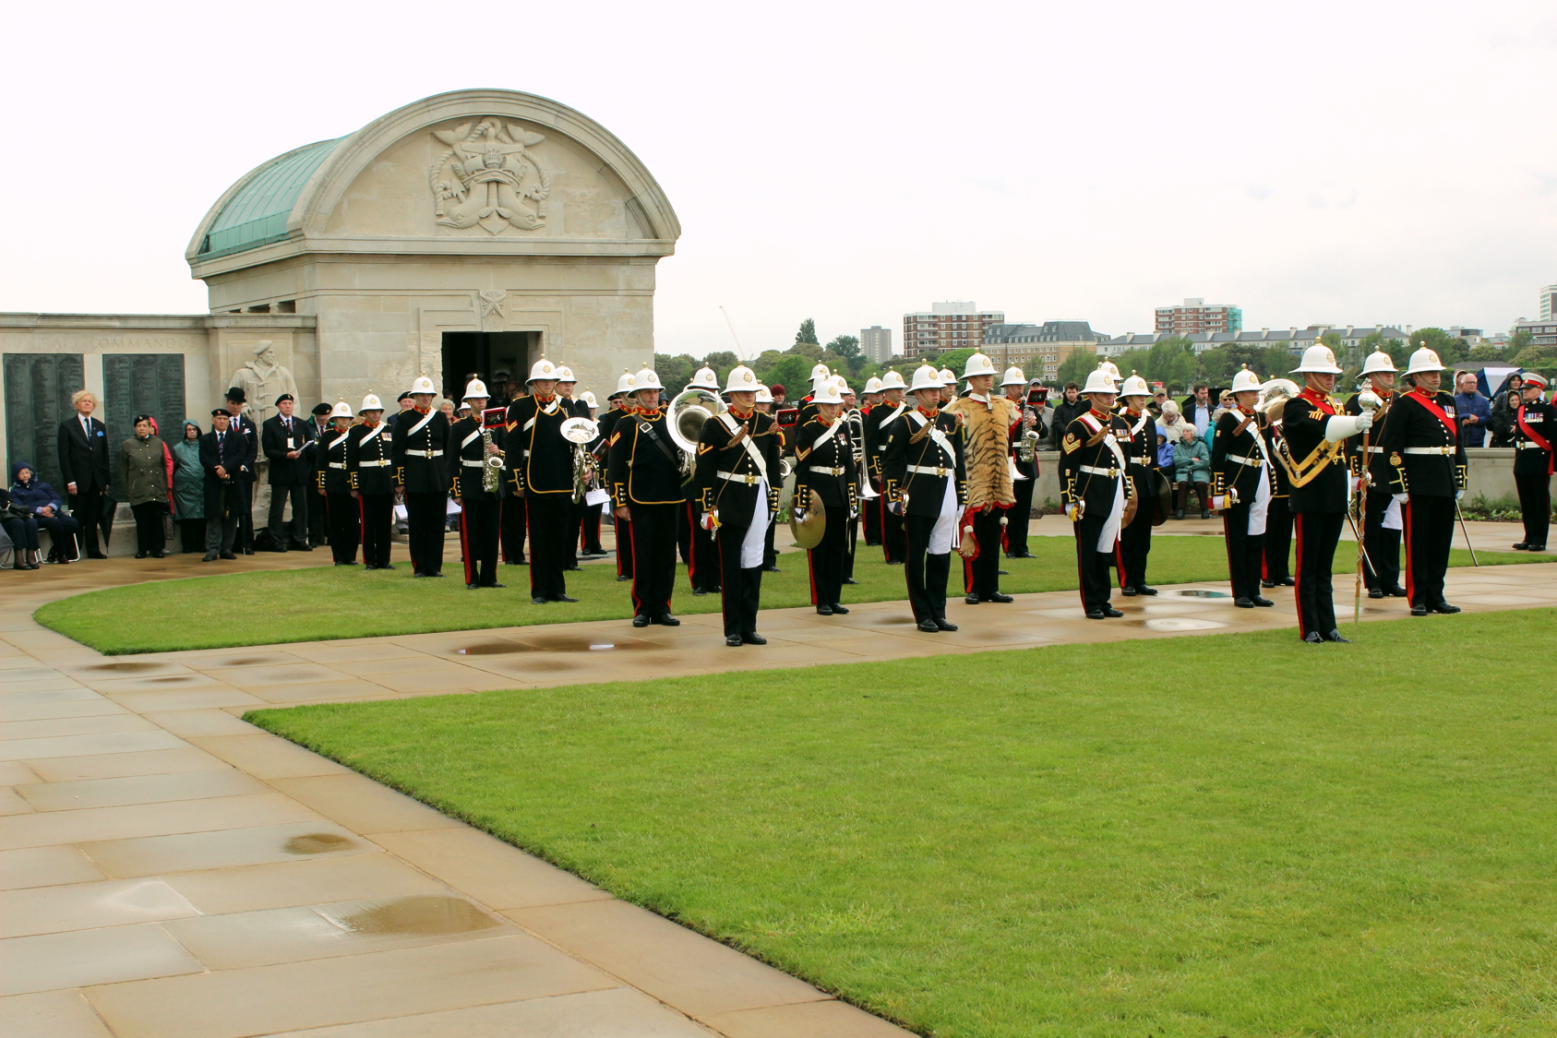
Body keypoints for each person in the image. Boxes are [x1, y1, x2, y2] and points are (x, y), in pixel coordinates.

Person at [1281, 344, 1373, 642]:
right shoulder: (1297, 406)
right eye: (1324, 373)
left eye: (1332, 374)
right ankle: (1309, 627)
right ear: (1309, 375)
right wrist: (1355, 423)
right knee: (1308, 566)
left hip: (1333, 492)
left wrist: (1356, 478)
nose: (1330, 379)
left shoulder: (1336, 405)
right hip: (1310, 492)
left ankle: (1329, 625)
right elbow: (1323, 428)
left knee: (1325, 566)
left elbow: (1343, 450)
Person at [692, 366, 780, 645]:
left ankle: (749, 626)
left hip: (758, 498)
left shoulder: (766, 423)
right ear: (731, 395)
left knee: (753, 563)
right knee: (730, 565)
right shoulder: (715, 424)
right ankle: (732, 628)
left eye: (752, 391)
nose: (749, 396)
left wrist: (774, 497)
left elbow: (774, 465)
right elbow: (705, 469)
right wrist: (707, 506)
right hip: (728, 499)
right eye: (743, 392)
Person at [1377, 347, 1466, 617]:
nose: (1436, 377)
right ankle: (1418, 597)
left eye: (1437, 372)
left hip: (1444, 479)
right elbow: (1392, 448)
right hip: (1418, 481)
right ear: (1415, 377)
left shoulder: (1448, 401)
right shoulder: (1405, 403)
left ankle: (1437, 595)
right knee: (1418, 542)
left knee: (1441, 542)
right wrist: (1399, 485)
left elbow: (1458, 443)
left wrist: (1460, 477)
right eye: (1429, 372)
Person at [884, 366, 964, 632]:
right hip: (918, 493)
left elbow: (960, 462)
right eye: (930, 390)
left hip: (946, 491)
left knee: (941, 554)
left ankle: (938, 611)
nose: (935, 394)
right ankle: (923, 614)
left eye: (938, 389)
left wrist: (962, 495)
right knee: (916, 557)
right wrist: (893, 495)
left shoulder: (951, 421)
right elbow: (892, 462)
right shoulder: (906, 422)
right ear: (917, 393)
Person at [609, 368, 683, 626]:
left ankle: (663, 608)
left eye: (655, 391)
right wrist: (620, 501)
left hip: (671, 496)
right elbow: (616, 465)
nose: (652, 396)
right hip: (639, 497)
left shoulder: (671, 420)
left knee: (666, 556)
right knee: (643, 555)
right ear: (636, 395)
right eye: (647, 392)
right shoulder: (625, 423)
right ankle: (642, 608)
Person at [1059, 368, 1134, 619]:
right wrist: (1070, 497)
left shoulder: (1121, 423)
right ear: (1091, 395)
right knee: (1088, 550)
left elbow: (1127, 462)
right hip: (1089, 494)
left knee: (1106, 549)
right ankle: (1091, 603)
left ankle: (1104, 599)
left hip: (1114, 490)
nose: (1110, 397)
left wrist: (1127, 490)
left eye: (1112, 392)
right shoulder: (1079, 425)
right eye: (1104, 393)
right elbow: (1067, 465)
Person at [946, 353, 1019, 605]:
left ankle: (991, 587)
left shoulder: (1004, 406)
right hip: (974, 481)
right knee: (972, 534)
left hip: (998, 482)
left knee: (993, 535)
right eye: (983, 375)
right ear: (972, 379)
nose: (989, 379)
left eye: (990, 375)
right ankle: (974, 587)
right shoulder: (958, 409)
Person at [506, 358, 577, 604]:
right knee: (539, 538)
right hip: (534, 478)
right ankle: (540, 591)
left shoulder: (566, 405)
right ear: (534, 383)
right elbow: (513, 444)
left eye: (552, 381)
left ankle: (558, 589)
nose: (548, 385)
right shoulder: (521, 406)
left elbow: (580, 439)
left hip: (563, 478)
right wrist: (516, 481)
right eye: (544, 381)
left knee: (560, 537)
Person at [1210, 370, 1274, 608]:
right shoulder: (1228, 419)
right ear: (1238, 395)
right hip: (1237, 480)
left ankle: (1254, 589)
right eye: (1249, 391)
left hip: (1260, 476)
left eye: (1256, 391)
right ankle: (1241, 592)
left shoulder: (1261, 418)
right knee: (1237, 538)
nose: (1254, 395)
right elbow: (1217, 457)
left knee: (1257, 536)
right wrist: (1218, 491)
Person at [794, 377, 858, 616]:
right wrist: (802, 502)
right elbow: (802, 468)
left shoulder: (843, 426)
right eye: (828, 404)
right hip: (818, 494)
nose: (833, 408)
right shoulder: (809, 429)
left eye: (836, 404)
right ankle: (821, 599)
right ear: (818, 405)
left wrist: (852, 497)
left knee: (837, 548)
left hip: (839, 492)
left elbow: (849, 465)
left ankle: (834, 598)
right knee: (819, 550)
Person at [1345, 351, 1405, 598]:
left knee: (1393, 528)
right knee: (1371, 528)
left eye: (1391, 373)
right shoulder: (1357, 401)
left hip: (1395, 470)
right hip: (1370, 467)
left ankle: (1391, 579)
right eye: (1384, 373)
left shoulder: (1401, 400)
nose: (1390, 377)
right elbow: (1350, 439)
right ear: (1370, 376)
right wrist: (1353, 472)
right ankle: (1374, 580)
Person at [448, 380, 505, 589]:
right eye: (477, 399)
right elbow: (452, 460)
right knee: (471, 535)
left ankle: (490, 577)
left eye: (484, 398)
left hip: (493, 485)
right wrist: (456, 490)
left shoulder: (496, 422)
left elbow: (507, 451)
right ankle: (472, 578)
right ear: (469, 401)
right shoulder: (460, 427)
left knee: (491, 535)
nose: (481, 402)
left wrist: (499, 452)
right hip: (470, 484)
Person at [393, 376, 450, 577]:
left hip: (437, 474)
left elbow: (447, 447)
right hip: (415, 474)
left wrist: (447, 475)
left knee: (436, 523)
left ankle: (435, 566)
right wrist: (399, 480)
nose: (425, 398)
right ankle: (420, 566)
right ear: (415, 396)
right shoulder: (405, 418)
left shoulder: (440, 417)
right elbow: (398, 450)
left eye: (428, 395)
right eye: (422, 395)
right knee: (417, 524)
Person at [1115, 374, 1158, 595]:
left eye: (1145, 396)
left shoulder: (1149, 420)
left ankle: (1140, 579)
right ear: (1128, 398)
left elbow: (1154, 454)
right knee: (1128, 535)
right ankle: (1127, 580)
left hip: (1147, 479)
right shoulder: (1121, 420)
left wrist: (1158, 482)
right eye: (1138, 396)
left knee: (1143, 536)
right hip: (1130, 480)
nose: (1143, 400)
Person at [56, 389, 111, 559]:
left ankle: (93, 550)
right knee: (77, 518)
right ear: (76, 405)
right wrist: (70, 481)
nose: (88, 403)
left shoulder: (99, 426)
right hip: (78, 481)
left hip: (96, 481)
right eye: (84, 401)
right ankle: (74, 550)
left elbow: (104, 455)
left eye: (90, 401)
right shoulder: (67, 426)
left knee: (93, 517)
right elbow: (64, 456)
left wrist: (105, 480)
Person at [864, 370, 909, 565]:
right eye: (896, 389)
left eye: (901, 389)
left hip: (905, 465)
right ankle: (891, 553)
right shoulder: (876, 412)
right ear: (887, 391)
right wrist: (876, 470)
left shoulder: (907, 411)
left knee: (905, 510)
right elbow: (871, 443)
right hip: (886, 464)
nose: (900, 392)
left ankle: (905, 552)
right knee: (889, 512)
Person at [347, 394, 396, 570]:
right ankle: (370, 560)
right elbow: (351, 459)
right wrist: (354, 485)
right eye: (372, 411)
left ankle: (384, 559)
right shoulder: (356, 431)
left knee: (385, 523)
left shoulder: (388, 429)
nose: (376, 414)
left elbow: (394, 456)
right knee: (369, 523)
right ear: (364, 413)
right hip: (367, 481)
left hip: (386, 480)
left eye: (378, 411)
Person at [261, 393, 314, 552]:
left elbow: (308, 445)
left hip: (299, 471)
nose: (288, 406)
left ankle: (300, 539)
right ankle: (275, 540)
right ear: (278, 406)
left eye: (290, 403)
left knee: (300, 507)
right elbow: (268, 450)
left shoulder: (301, 424)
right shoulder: (270, 424)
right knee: (277, 507)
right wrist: (285, 456)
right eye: (284, 403)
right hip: (281, 470)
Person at [599, 370, 638, 582]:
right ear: (620, 396)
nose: (631, 398)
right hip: (620, 473)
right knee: (622, 525)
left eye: (633, 394)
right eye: (627, 394)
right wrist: (607, 480)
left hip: (639, 475)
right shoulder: (612, 418)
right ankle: (624, 568)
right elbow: (605, 450)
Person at [114, 416, 169, 559]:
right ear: (135, 428)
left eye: (144, 425)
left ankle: (157, 548)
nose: (142, 428)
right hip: (138, 489)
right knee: (142, 521)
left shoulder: (158, 443)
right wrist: (128, 490)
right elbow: (123, 469)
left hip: (156, 489)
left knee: (156, 521)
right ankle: (142, 549)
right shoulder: (128, 444)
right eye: (139, 426)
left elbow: (163, 467)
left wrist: (164, 487)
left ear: (150, 427)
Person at [1511, 373, 1554, 552]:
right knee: (1527, 502)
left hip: (1539, 459)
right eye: (1523, 390)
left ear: (1539, 390)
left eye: (1528, 389)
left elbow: (1554, 436)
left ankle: (1539, 539)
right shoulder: (1521, 409)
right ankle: (1528, 536)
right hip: (1523, 459)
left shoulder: (1547, 409)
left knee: (1539, 502)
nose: (1524, 392)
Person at [1002, 366, 1041, 560]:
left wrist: (1036, 424)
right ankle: (1010, 547)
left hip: (1028, 458)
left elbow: (1044, 431)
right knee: (1011, 507)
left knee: (1025, 507)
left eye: (1021, 385)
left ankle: (1022, 547)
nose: (1020, 389)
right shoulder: (1003, 406)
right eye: (1016, 385)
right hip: (1011, 458)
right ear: (1008, 387)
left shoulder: (1029, 407)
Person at [1261, 385, 1298, 590]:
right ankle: (1268, 574)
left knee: (1284, 532)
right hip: (1271, 486)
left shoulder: (1289, 428)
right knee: (1269, 532)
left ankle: (1282, 571)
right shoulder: (1269, 429)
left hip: (1288, 485)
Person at [316, 402, 360, 565]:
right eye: (341, 418)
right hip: (334, 480)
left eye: (346, 418)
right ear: (335, 419)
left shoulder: (353, 434)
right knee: (335, 521)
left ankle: (351, 555)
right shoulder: (328, 436)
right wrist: (321, 484)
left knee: (351, 521)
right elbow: (321, 461)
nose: (344, 421)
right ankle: (339, 556)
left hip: (350, 482)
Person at [9, 462, 79, 564]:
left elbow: (57, 498)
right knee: (54, 523)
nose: (25, 475)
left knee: (72, 522)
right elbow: (20, 507)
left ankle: (54, 550)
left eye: (27, 472)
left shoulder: (43, 485)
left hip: (53, 511)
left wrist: (50, 507)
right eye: (21, 474)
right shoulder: (15, 491)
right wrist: (40, 510)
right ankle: (61, 553)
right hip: (36, 516)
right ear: (16, 476)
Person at [200, 409, 246, 561]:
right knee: (214, 515)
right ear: (213, 420)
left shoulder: (238, 438)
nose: (221, 421)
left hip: (232, 480)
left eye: (224, 419)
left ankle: (227, 548)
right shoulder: (206, 439)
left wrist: (226, 468)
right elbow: (203, 457)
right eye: (219, 418)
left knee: (231, 515)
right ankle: (213, 548)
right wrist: (217, 469)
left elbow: (240, 455)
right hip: (213, 481)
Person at [498, 380, 529, 568]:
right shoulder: (502, 421)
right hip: (506, 472)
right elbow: (504, 446)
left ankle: (519, 553)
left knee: (520, 520)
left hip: (524, 472)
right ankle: (509, 554)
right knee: (507, 519)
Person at [170, 420, 206, 553]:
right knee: (186, 518)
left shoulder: (204, 445)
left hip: (201, 487)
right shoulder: (178, 448)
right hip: (184, 489)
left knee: (201, 517)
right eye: (189, 429)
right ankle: (187, 544)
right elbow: (173, 467)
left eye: (194, 429)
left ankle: (200, 543)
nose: (191, 431)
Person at [305, 402, 333, 548]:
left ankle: (331, 535)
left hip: (330, 471)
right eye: (321, 418)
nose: (324, 421)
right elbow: (308, 448)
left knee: (329, 505)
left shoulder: (332, 426)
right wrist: (323, 450)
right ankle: (314, 536)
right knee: (314, 505)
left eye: (326, 418)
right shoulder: (308, 426)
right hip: (313, 471)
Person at [1173, 425, 1211, 519]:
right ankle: (1180, 509)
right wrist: (1191, 459)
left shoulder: (1201, 445)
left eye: (1188, 431)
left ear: (1193, 433)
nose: (1185, 433)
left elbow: (1205, 461)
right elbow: (1176, 461)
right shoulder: (1178, 446)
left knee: (1201, 484)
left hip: (1199, 471)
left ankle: (1205, 509)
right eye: (1184, 431)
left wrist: (1191, 466)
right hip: (1183, 472)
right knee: (1182, 483)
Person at [0, 484, 40, 569]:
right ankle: (19, 558)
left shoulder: (3, 493)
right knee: (17, 523)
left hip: (9, 517)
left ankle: (30, 555)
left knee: (31, 522)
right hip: (2, 523)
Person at [1453, 370, 1491, 448]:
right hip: (1459, 440)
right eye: (1469, 383)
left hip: (1478, 441)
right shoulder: (1454, 400)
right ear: (1462, 384)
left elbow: (1488, 418)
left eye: (1474, 382)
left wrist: (1477, 420)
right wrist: (1466, 416)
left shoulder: (1483, 401)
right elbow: (1451, 416)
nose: (1472, 385)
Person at [1489, 375, 1523, 448]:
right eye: (1513, 380)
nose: (1516, 382)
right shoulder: (1502, 396)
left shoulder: (1524, 395)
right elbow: (1495, 415)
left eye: (1518, 380)